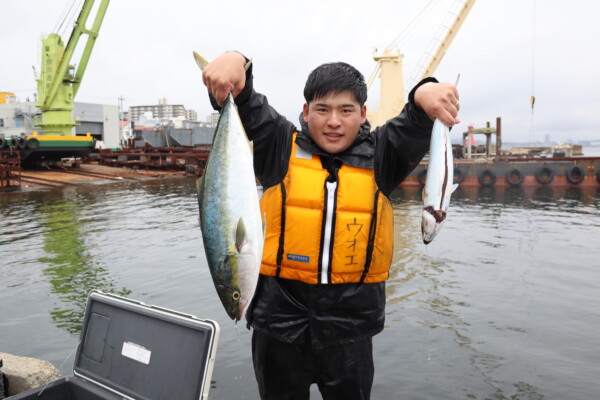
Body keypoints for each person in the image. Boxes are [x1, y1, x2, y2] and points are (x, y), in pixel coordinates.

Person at [202, 51, 460, 400]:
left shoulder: (383, 153)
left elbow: (416, 117)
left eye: (346, 110)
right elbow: (244, 100)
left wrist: (426, 89)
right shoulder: (279, 145)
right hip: (277, 328)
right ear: (306, 113)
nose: (333, 121)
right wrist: (237, 60)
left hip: (350, 333)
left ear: (363, 114)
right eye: (322, 110)